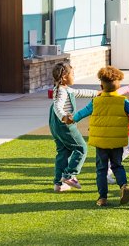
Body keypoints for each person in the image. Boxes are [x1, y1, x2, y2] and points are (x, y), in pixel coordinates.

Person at [69, 66, 129, 207]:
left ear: (101, 85)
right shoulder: (123, 101)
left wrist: (72, 119)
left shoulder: (96, 101)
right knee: (117, 165)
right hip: (117, 141)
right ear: (118, 86)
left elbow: (82, 113)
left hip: (101, 142)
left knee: (101, 169)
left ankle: (102, 198)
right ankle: (124, 186)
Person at [49, 62, 99, 192]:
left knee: (63, 152)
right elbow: (57, 106)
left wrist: (97, 93)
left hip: (55, 126)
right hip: (64, 125)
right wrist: (64, 117)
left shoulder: (64, 89)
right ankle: (69, 175)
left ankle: (59, 184)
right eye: (72, 74)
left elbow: (80, 92)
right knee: (81, 148)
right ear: (65, 76)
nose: (74, 76)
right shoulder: (61, 92)